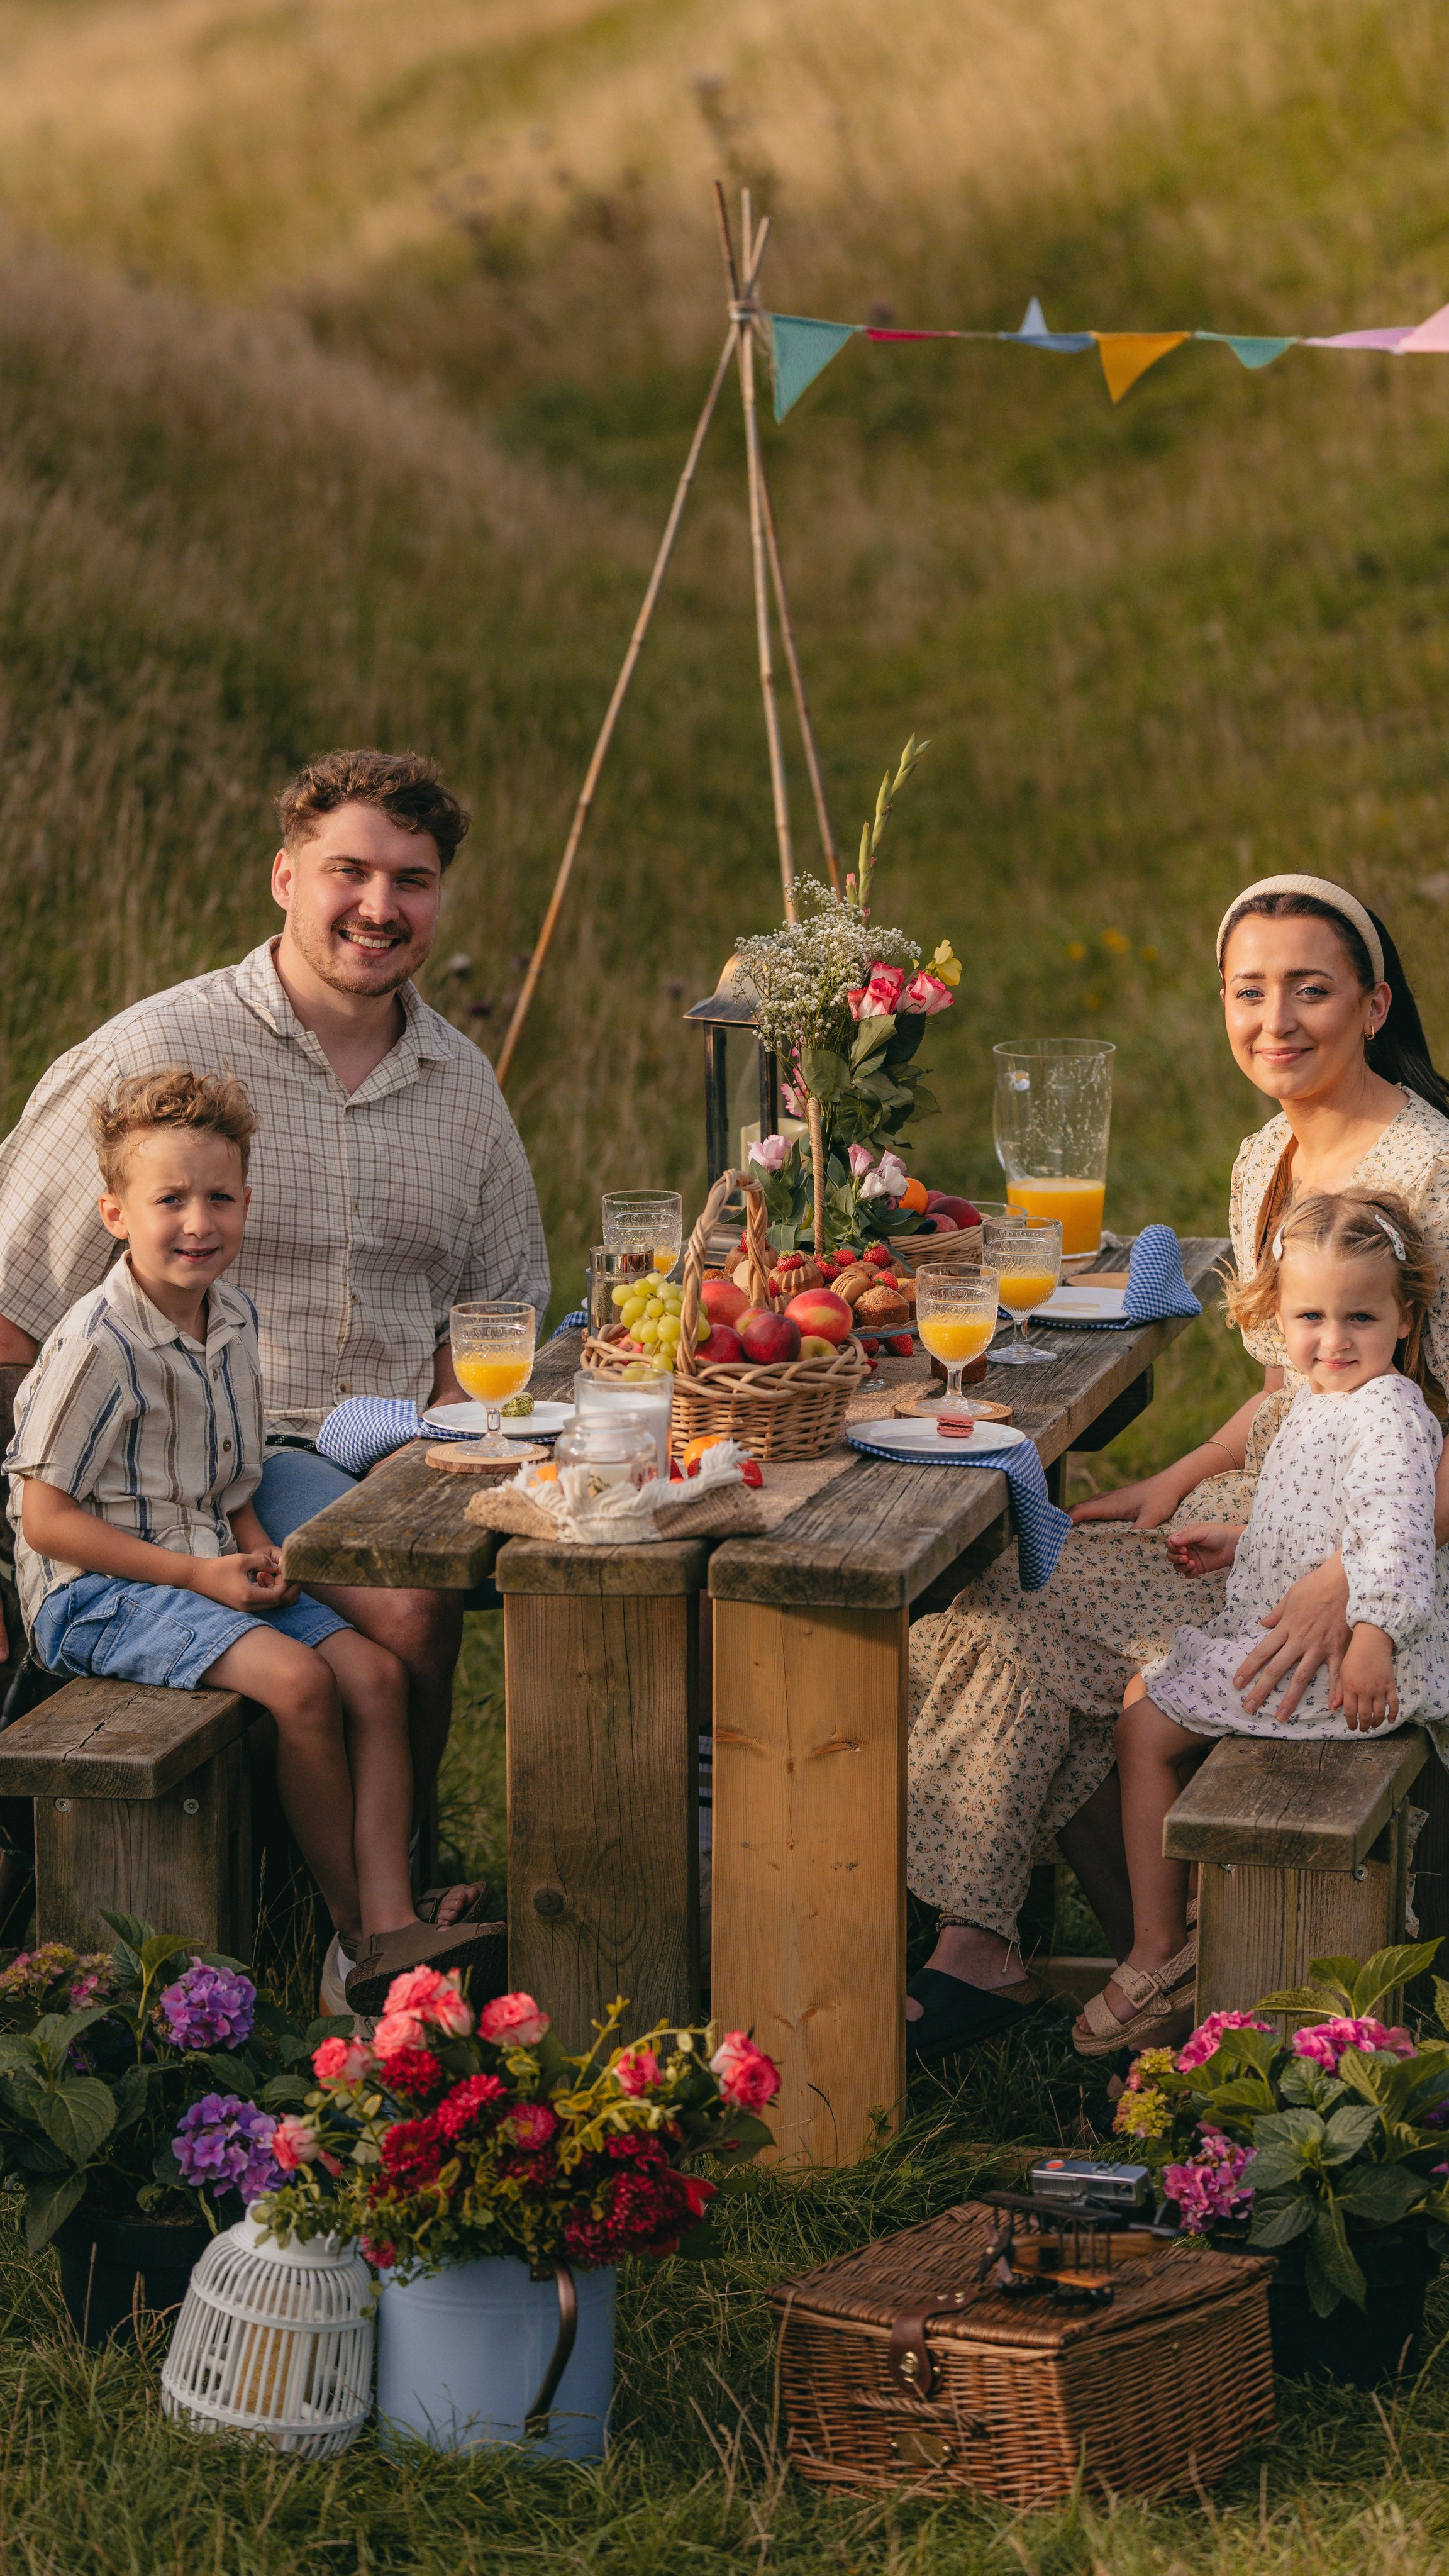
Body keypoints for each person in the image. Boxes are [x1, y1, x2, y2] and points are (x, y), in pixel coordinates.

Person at [0, 749, 547, 1963]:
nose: (378, 907)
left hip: (380, 1453)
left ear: (438, 901)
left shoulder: (460, 1083)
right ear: (285, 876)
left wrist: (446, 1464)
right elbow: (12, 1304)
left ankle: (385, 1905)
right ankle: (336, 1917)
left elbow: (497, 1305)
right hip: (173, 1469)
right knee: (396, 1613)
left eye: (412, 881)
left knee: (422, 1591)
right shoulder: (158, 1050)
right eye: (348, 870)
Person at [906, 872, 1449, 2062]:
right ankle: (1034, 1939)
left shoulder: (1431, 1173)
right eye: (1248, 993)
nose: (1277, 1021)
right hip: (1278, 1506)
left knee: (1029, 1622)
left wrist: (1344, 1581)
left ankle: (1057, 1954)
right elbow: (1287, 1384)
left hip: (1398, 1551)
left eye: (1312, 990)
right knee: (992, 1591)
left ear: (1374, 1003)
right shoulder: (1270, 1157)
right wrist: (1182, 1476)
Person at [4, 1069, 502, 2012]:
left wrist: (251, 1546)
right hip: (99, 1592)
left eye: (220, 1197)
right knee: (302, 1684)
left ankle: (395, 1919)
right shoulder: (98, 1345)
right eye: (170, 1200)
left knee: (377, 1676)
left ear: (247, 1202)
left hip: (203, 1558)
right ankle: (354, 1938)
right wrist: (204, 1572)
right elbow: (45, 1519)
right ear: (115, 1212)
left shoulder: (232, 1319)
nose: (199, 1221)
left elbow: (233, 1472)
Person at [1074, 1190, 1446, 2055]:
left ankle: (1158, 1946)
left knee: (1142, 1725)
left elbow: (1393, 1537)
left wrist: (1374, 1643)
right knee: (1142, 1689)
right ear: (1277, 1316)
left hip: (1347, 1672)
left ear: (1406, 1319)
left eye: (1361, 1315)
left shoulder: (1386, 1411)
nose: (1335, 1339)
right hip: (1327, 1645)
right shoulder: (1323, 1400)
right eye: (1311, 1315)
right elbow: (1330, 1521)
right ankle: (1189, 1917)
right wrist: (1245, 1544)